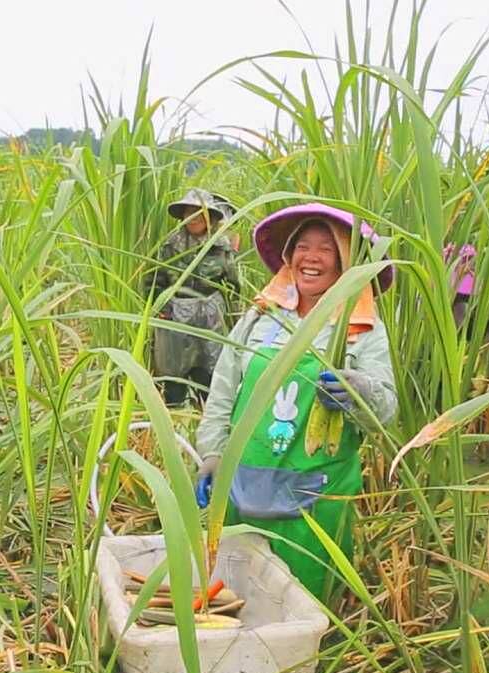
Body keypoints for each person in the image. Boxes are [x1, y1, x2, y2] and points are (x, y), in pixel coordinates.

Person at [194, 203, 398, 602]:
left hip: (314, 497)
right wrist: (213, 454)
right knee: (236, 595)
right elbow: (223, 389)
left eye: (327, 248)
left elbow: (386, 410)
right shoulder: (260, 317)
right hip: (244, 487)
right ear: (289, 255)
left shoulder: (361, 328)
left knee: (304, 602)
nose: (312, 257)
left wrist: (360, 392)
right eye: (303, 246)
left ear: (346, 261)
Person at [150, 188, 239, 406]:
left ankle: (205, 416)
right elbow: (154, 280)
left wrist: (232, 314)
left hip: (210, 314)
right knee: (173, 371)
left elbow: (233, 284)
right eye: (190, 213)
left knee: (208, 367)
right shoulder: (170, 245)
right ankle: (173, 418)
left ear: (210, 218)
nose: (194, 218)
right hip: (176, 312)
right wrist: (161, 309)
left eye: (200, 213)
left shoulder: (221, 246)